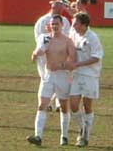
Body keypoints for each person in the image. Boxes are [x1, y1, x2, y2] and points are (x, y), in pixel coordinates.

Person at [26, 14, 76, 146]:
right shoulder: (45, 38)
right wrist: (35, 55)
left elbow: (73, 61)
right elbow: (38, 52)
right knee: (42, 105)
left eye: (57, 24)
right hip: (48, 76)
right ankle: (38, 136)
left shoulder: (68, 41)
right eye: (52, 24)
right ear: (49, 25)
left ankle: (64, 136)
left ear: (62, 25)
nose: (54, 26)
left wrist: (61, 66)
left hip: (62, 76)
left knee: (64, 107)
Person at [67, 13, 103, 147]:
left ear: (83, 25)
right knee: (74, 104)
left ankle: (84, 135)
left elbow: (96, 57)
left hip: (90, 75)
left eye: (75, 23)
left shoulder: (93, 38)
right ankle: (82, 128)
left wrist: (78, 64)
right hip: (76, 74)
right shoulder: (73, 34)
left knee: (87, 106)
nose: (73, 26)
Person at [34, 0, 72, 112]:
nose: (60, 9)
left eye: (61, 8)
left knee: (60, 77)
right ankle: (47, 103)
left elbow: (68, 37)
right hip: (45, 56)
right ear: (53, 7)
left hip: (60, 54)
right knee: (45, 78)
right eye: (58, 7)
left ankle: (59, 102)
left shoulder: (65, 21)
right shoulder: (42, 21)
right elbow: (38, 39)